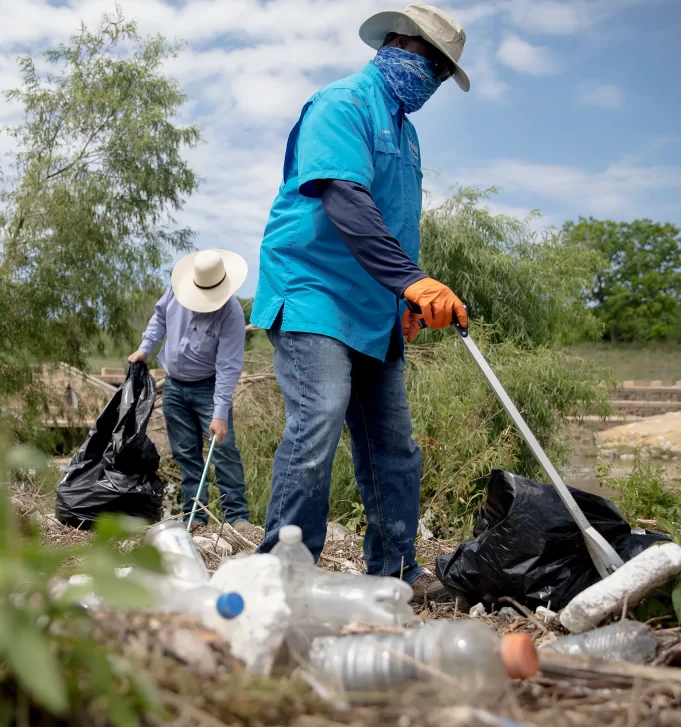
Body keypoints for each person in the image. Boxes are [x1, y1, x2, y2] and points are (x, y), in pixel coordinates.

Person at [249, 4, 471, 604]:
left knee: (393, 444)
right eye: (435, 66)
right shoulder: (341, 105)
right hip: (313, 291)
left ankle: (396, 571)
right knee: (319, 417)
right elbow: (346, 201)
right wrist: (411, 280)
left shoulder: (407, 131)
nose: (436, 82)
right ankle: (283, 571)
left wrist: (406, 300)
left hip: (374, 311)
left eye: (445, 76)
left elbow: (398, 221)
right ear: (402, 45)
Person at [130, 250, 252, 533]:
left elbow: (229, 365)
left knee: (223, 450)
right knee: (186, 454)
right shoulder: (176, 291)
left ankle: (237, 516)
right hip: (174, 386)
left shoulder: (230, 313)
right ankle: (194, 516)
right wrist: (145, 349)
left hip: (208, 388)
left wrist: (220, 413)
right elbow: (159, 318)